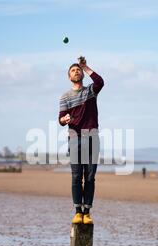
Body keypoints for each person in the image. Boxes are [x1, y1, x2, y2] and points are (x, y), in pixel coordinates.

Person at [58, 57, 104, 224]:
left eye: (78, 70)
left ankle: (87, 212)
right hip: (74, 138)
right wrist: (65, 119)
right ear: (69, 77)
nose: (76, 71)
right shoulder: (65, 97)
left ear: (82, 74)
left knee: (90, 177)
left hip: (92, 137)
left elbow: (100, 81)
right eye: (73, 70)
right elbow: (60, 119)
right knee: (77, 176)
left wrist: (86, 66)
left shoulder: (90, 91)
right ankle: (78, 211)